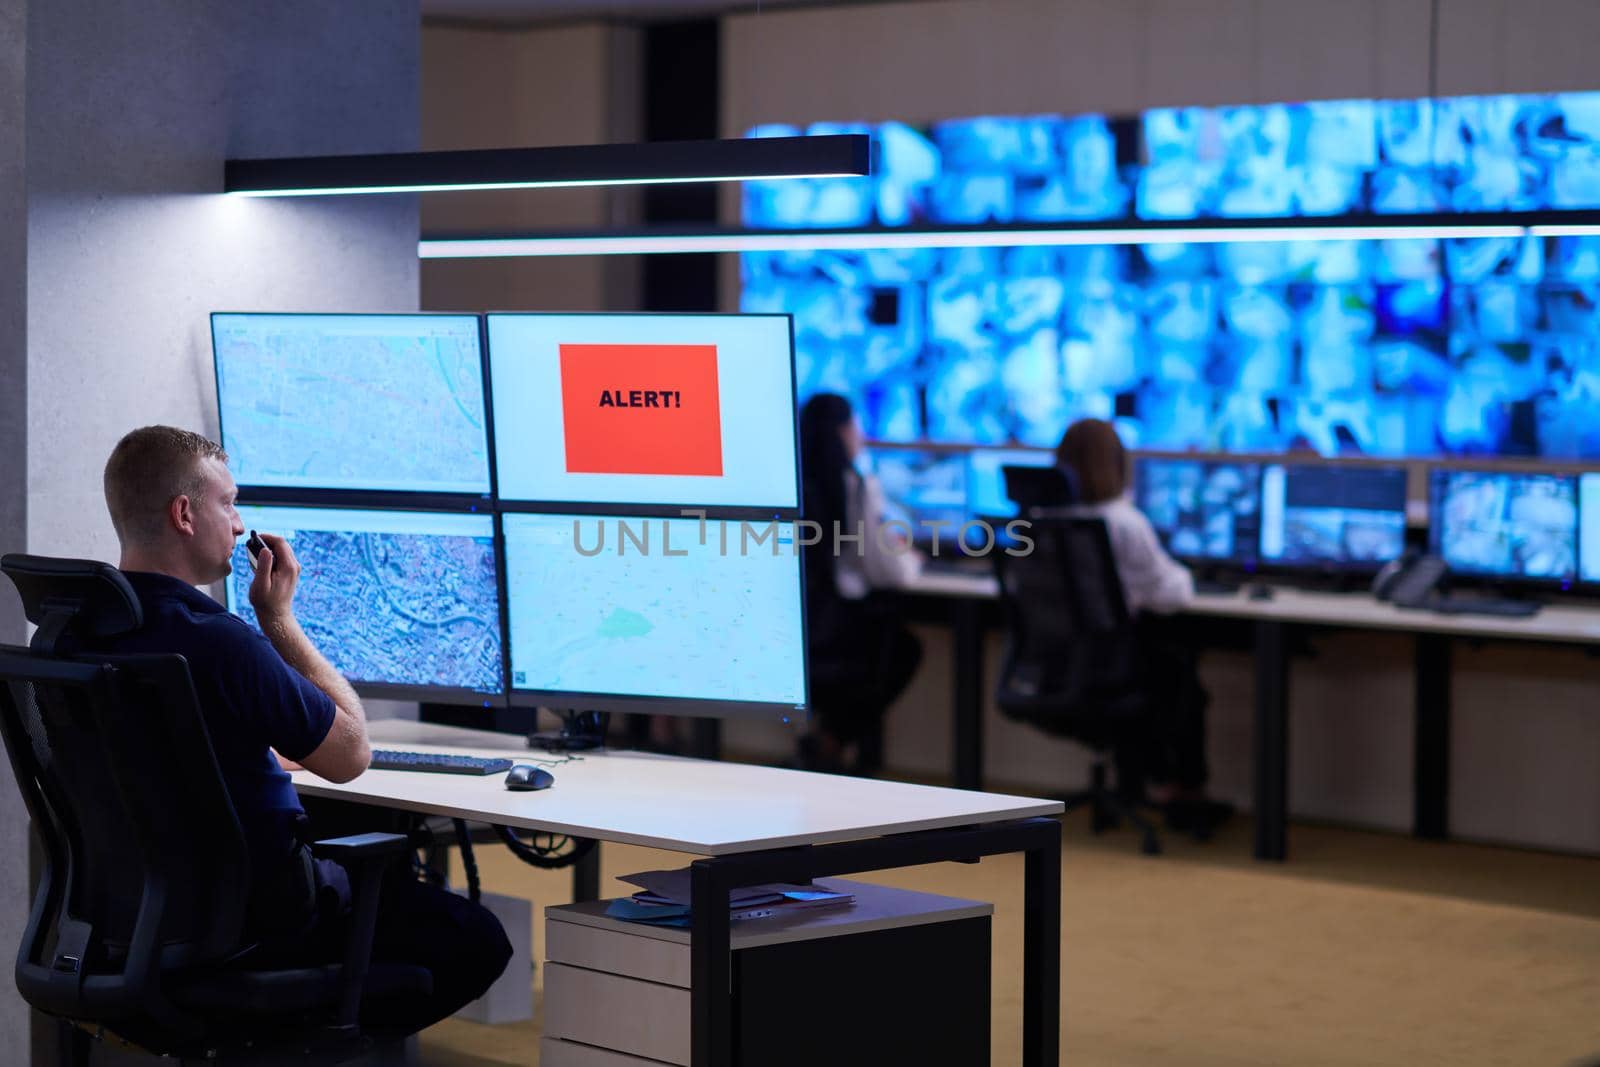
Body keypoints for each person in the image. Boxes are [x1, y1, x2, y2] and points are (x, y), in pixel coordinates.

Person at [91, 426, 510, 1037]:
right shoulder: (219, 642)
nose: (239, 525)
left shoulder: (82, 629)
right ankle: (300, 1040)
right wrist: (279, 621)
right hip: (263, 928)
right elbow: (349, 754)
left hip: (132, 928)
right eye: (227, 503)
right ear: (183, 513)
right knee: (472, 935)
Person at [1055, 417, 1230, 833]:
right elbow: (1173, 595)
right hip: (1115, 667)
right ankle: (1183, 792)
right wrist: (1189, 575)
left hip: (1060, 666)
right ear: (1118, 463)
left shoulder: (1045, 518)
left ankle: (1152, 782)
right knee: (1180, 675)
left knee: (1169, 664)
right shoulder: (1125, 522)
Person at [797, 394, 923, 774]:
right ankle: (833, 742)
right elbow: (891, 572)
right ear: (843, 431)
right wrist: (915, 560)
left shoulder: (792, 486)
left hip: (796, 636)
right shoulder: (855, 485)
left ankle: (828, 743)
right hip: (838, 635)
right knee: (904, 650)